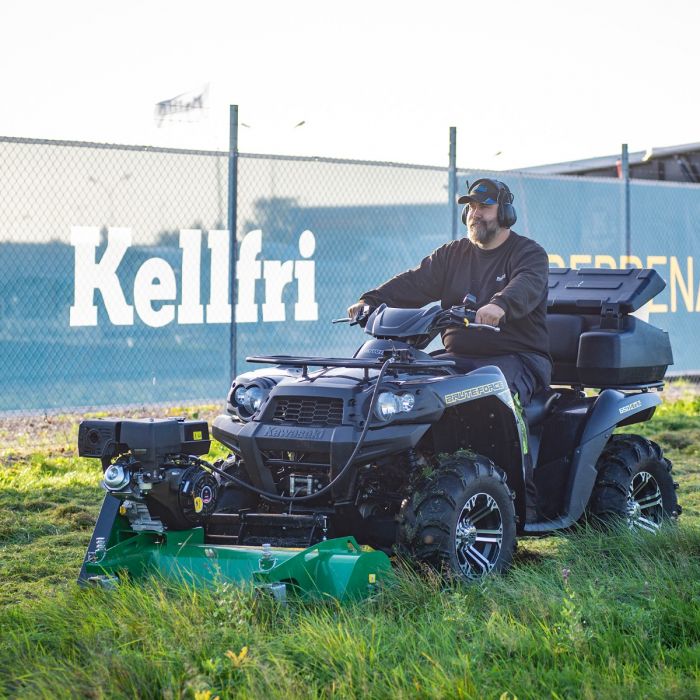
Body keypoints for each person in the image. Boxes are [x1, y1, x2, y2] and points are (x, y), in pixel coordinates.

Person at [347, 177, 552, 407]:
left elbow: (526, 284)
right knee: (403, 386)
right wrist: (371, 301)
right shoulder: (452, 254)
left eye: (484, 207)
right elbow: (414, 282)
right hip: (458, 359)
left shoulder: (529, 253)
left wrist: (500, 305)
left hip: (518, 360)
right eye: (471, 207)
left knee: (487, 397)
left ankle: (514, 443)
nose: (475, 214)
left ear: (505, 214)